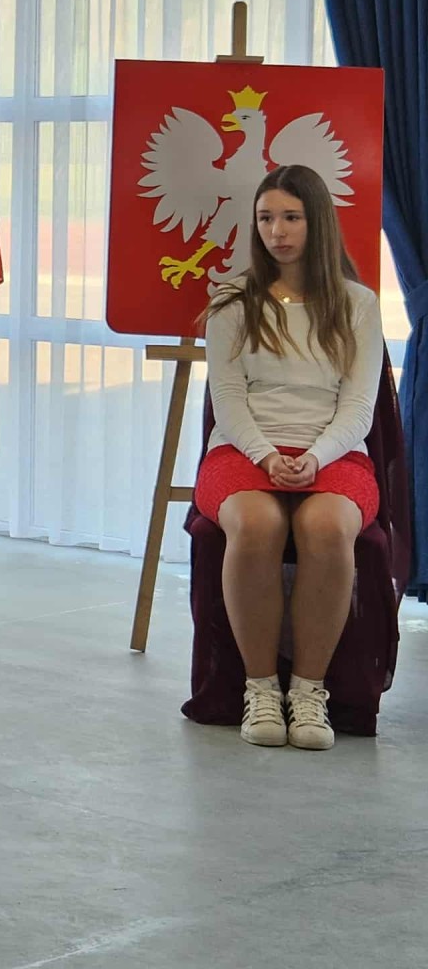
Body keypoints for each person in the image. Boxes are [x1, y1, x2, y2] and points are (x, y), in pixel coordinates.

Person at [194, 164, 384, 751]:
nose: (277, 231)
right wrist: (266, 454)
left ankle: (307, 692)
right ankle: (259, 689)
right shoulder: (232, 301)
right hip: (244, 450)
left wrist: (317, 455)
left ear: (317, 221)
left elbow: (359, 407)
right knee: (256, 523)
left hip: (335, 453)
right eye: (266, 218)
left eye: (292, 217)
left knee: (327, 526)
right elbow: (227, 400)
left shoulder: (358, 304)